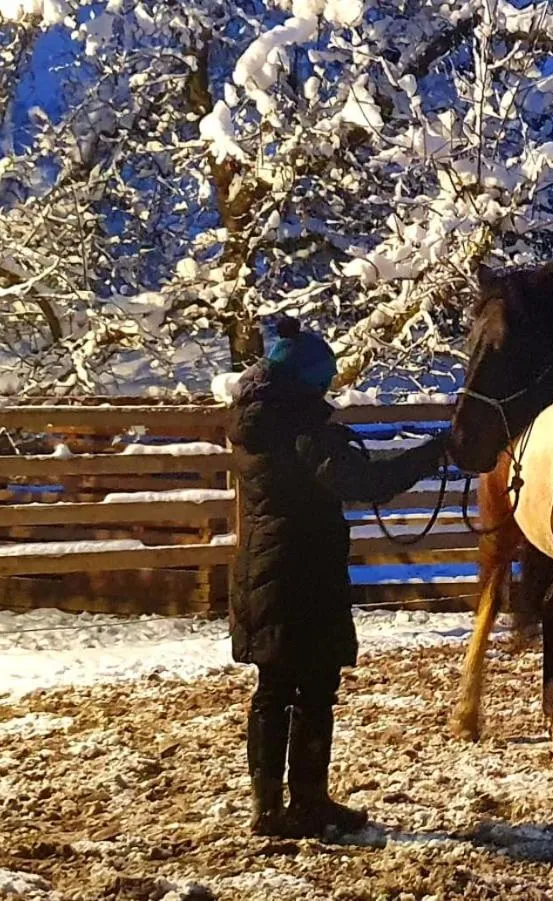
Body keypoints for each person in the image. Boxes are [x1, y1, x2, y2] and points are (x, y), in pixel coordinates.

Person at [228, 317, 447, 838]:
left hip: (268, 567)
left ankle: (270, 805)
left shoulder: (262, 418)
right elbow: (366, 482)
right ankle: (305, 801)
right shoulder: (301, 429)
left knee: (275, 687)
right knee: (312, 688)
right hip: (301, 573)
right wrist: (435, 451)